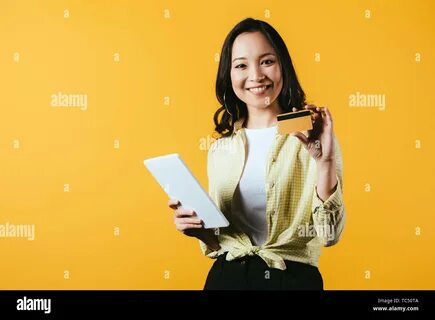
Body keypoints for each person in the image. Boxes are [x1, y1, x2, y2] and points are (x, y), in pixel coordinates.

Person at [168, 17, 345, 290]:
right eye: (241, 65)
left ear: (282, 66)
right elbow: (221, 242)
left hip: (293, 281)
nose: (256, 76)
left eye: (267, 61)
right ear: (229, 75)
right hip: (227, 279)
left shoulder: (311, 134)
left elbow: (329, 235)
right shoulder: (221, 148)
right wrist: (201, 232)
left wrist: (326, 162)